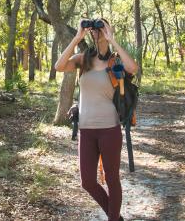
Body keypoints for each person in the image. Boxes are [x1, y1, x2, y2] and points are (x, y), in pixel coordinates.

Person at [54, 18, 139, 221]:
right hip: (86, 130)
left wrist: (112, 39)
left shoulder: (115, 60)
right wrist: (77, 37)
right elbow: (59, 66)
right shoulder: (84, 59)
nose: (97, 32)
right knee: (88, 182)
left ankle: (113, 218)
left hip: (109, 129)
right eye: (95, 29)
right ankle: (116, 218)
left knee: (112, 179)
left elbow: (133, 68)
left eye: (101, 27)